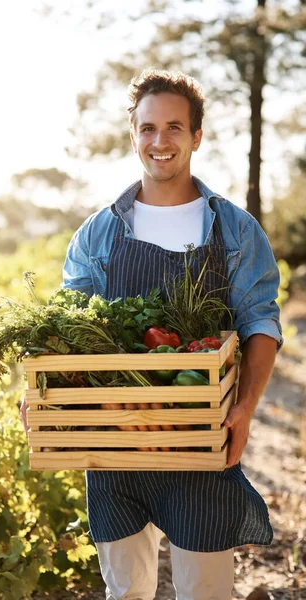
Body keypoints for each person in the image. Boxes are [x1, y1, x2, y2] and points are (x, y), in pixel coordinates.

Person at [21, 69, 283, 600]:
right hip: (115, 446)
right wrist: (40, 395)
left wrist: (246, 407)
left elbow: (260, 320)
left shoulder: (233, 229)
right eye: (147, 128)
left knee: (205, 592)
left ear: (196, 137)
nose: (159, 141)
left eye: (173, 128)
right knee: (127, 593)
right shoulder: (98, 233)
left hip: (200, 440)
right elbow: (67, 324)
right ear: (133, 134)